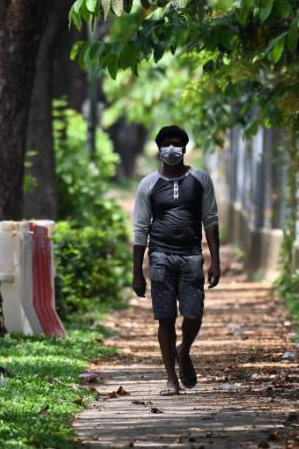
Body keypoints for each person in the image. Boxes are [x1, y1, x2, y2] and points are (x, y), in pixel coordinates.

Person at [131, 125, 221, 396]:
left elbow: (211, 220)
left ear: (184, 148)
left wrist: (215, 261)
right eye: (167, 143)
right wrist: (137, 271)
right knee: (165, 318)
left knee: (194, 314)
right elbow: (140, 228)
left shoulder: (200, 179)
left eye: (176, 143)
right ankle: (171, 379)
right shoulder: (148, 184)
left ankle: (184, 350)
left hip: (192, 256)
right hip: (159, 257)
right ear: (159, 149)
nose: (172, 148)